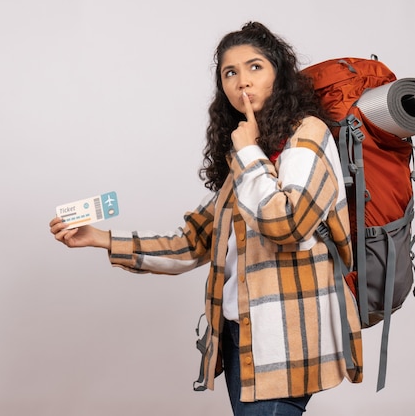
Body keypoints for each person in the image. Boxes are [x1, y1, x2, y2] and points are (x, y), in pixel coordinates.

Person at [49, 21, 363, 416]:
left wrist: (249, 154)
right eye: (230, 72)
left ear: (278, 74)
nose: (242, 82)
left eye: (255, 67)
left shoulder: (307, 135)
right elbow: (193, 240)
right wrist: (100, 238)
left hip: (289, 339)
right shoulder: (248, 152)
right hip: (239, 335)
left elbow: (289, 224)